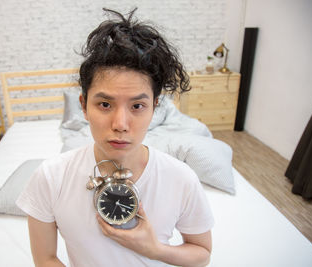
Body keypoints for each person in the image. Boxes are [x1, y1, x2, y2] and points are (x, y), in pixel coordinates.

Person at [16, 8, 214, 267]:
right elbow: (45, 258)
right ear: (84, 105)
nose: (120, 125)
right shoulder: (51, 177)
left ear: (155, 107)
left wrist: (155, 250)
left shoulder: (181, 179)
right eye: (105, 105)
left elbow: (202, 255)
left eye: (137, 106)